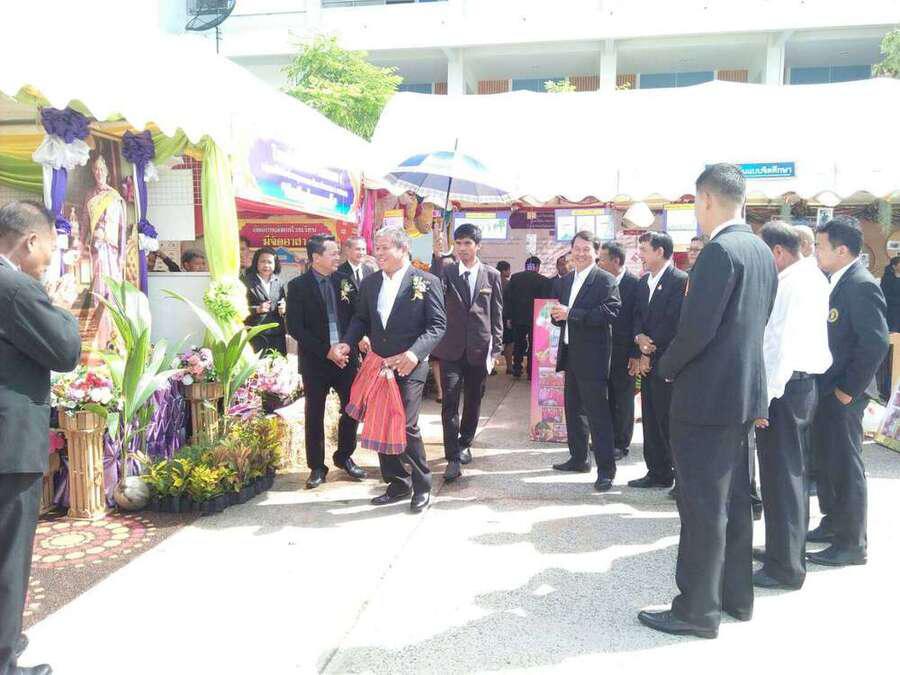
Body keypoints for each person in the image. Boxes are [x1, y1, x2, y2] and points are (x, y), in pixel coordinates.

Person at [638, 164, 777, 639]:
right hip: (741, 394)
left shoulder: (719, 251)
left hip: (705, 398)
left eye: (696, 203)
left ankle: (696, 610)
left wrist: (666, 367)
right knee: (733, 500)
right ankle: (735, 597)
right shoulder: (759, 249)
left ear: (707, 200)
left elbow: (696, 329)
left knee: (702, 506)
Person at [0, 201, 82, 675]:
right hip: (9, 443)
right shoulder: (15, 288)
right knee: (8, 556)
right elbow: (64, 350)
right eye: (51, 246)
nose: (50, 257)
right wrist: (60, 307)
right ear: (31, 241)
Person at [338, 226, 446, 513]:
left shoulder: (427, 281)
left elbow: (437, 326)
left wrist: (413, 354)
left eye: (385, 247)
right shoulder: (371, 282)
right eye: (378, 247)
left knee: (406, 426)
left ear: (403, 248)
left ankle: (422, 485)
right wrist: (347, 342)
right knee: (380, 420)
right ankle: (397, 483)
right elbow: (361, 319)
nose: (379, 253)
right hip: (378, 363)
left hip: (409, 365)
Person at [753, 221, 832, 590]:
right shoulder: (808, 277)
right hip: (799, 386)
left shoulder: (794, 283)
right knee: (789, 475)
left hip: (785, 389)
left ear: (778, 252)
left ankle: (785, 566)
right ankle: (783, 552)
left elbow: (779, 347)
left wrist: (764, 399)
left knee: (782, 478)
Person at [807, 215, 888, 567]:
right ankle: (833, 523)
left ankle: (852, 543)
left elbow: (875, 343)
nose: (816, 252)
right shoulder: (835, 280)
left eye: (820, 246)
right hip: (828, 388)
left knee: (845, 465)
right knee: (827, 462)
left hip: (844, 392)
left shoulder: (860, 284)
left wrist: (848, 390)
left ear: (841, 250)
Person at [286, 235, 366, 489]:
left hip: (345, 358)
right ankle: (317, 467)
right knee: (314, 413)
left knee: (352, 409)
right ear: (316, 257)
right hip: (316, 361)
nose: (337, 257)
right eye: (332, 253)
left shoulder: (345, 281)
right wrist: (326, 351)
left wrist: (348, 344)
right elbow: (295, 327)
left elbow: (357, 317)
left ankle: (344, 455)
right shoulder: (298, 286)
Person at [430, 224, 503, 482]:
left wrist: (496, 347)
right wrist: (437, 257)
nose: (462, 248)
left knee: (473, 400)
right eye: (458, 243)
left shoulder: (492, 275)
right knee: (449, 401)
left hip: (479, 349)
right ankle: (452, 457)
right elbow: (433, 289)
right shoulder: (447, 272)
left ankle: (465, 442)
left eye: (467, 243)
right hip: (450, 349)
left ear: (478, 246)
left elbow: (496, 313)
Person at [550, 231, 621, 491]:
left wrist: (572, 314)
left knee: (598, 416)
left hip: (594, 358)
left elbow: (611, 311)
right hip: (571, 354)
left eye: (586, 249)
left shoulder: (604, 280)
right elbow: (562, 315)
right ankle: (579, 458)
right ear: (571, 251)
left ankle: (606, 471)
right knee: (574, 410)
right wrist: (557, 316)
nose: (580, 254)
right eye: (576, 249)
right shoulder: (567, 280)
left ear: (596, 252)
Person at [627, 231, 687, 490]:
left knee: (668, 420)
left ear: (660, 251)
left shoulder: (680, 280)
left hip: (667, 361)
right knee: (650, 418)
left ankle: (679, 477)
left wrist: (649, 349)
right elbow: (637, 316)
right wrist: (638, 338)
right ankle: (657, 471)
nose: (640, 254)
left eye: (644, 249)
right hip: (646, 360)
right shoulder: (643, 282)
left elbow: (675, 321)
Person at [597, 241, 639, 460]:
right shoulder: (601, 281)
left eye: (602, 259)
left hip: (624, 353)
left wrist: (635, 353)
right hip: (602, 350)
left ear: (616, 261)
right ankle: (606, 439)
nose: (599, 263)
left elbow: (639, 320)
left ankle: (621, 443)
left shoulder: (635, 284)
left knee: (623, 398)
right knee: (605, 397)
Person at [506, 256, 551, 378]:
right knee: (533, 345)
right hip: (536, 319)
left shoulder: (515, 278)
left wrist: (509, 317)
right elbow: (545, 301)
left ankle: (517, 369)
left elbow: (508, 299)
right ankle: (531, 371)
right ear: (537, 267)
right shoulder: (544, 281)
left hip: (517, 318)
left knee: (518, 344)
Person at [243, 247, 287, 355]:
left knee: (277, 364)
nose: (266, 265)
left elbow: (283, 302)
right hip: (256, 334)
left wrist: (284, 308)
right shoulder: (246, 281)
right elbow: (238, 307)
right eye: (263, 261)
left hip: (276, 335)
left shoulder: (278, 282)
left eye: (270, 262)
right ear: (256, 263)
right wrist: (257, 309)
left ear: (275, 264)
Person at [497, 260, 514, 374]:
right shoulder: (508, 284)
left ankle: (491, 367)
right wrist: (509, 318)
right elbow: (510, 303)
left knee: (492, 342)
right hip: (505, 316)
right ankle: (509, 366)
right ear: (504, 271)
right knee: (509, 342)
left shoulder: (491, 282)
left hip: (493, 317)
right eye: (508, 270)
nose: (510, 272)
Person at [880, 255, 900, 333]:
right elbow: (884, 295)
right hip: (893, 310)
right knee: (894, 332)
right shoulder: (887, 278)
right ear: (894, 266)